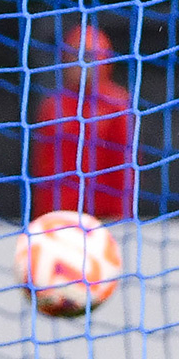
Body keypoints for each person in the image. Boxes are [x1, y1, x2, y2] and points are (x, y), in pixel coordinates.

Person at [32, 25, 137, 221]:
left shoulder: (117, 105)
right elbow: (45, 169)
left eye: (87, 57)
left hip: (106, 216)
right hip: (61, 216)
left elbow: (124, 168)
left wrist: (120, 215)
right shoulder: (55, 106)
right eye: (74, 56)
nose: (80, 65)